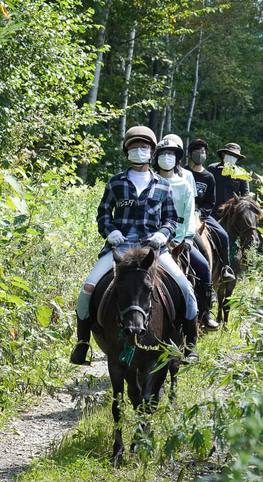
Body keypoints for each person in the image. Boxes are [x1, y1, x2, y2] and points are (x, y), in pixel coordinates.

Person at [70, 126, 200, 365]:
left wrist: (163, 234)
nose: (139, 150)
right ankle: (82, 343)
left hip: (154, 251)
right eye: (134, 147)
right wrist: (111, 231)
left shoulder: (163, 185)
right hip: (119, 249)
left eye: (144, 147)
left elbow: (171, 218)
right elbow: (103, 214)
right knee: (87, 290)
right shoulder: (116, 183)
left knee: (186, 289)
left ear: (151, 152)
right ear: (126, 151)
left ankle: (190, 344)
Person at [156, 135, 219, 331]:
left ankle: (206, 312)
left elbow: (189, 211)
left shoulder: (185, 181)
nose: (167, 158)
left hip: (181, 237)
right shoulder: (151, 180)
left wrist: (189, 237)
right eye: (163, 154)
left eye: (171, 154)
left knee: (202, 265)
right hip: (155, 239)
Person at [185, 139, 235, 282]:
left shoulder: (208, 177)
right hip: (183, 215)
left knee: (223, 235)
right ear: (189, 154)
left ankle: (225, 268)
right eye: (196, 152)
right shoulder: (183, 172)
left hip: (202, 215)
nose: (200, 154)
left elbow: (210, 202)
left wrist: (200, 212)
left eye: (203, 152)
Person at [207, 142, 250, 220]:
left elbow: (245, 195)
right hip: (212, 213)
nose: (232, 157)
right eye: (230, 154)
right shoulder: (212, 169)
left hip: (231, 215)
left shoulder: (242, 173)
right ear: (223, 154)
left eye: (235, 156)